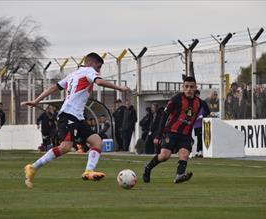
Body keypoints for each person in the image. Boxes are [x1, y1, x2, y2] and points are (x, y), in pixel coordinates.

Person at [22, 52, 130, 188]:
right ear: (91, 63)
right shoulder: (89, 71)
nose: (98, 71)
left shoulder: (73, 74)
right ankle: (32, 167)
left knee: (97, 141)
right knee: (65, 147)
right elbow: (100, 81)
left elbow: (53, 87)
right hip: (68, 115)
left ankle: (88, 171)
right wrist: (119, 88)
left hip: (77, 117)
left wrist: (36, 100)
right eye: (98, 67)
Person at [142, 76, 202, 184]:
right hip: (171, 132)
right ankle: (148, 167)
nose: (189, 89)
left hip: (185, 135)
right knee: (165, 156)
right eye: (186, 86)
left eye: (191, 87)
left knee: (184, 154)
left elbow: (204, 113)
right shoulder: (176, 99)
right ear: (182, 87)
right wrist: (159, 135)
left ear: (195, 88)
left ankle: (179, 175)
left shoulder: (200, 102)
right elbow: (164, 115)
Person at [193, 90, 210, 157]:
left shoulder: (203, 102)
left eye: (197, 95)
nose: (197, 96)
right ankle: (197, 151)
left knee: (200, 137)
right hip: (195, 124)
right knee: (197, 137)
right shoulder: (191, 103)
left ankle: (200, 151)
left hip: (201, 123)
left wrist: (202, 116)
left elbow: (207, 112)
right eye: (195, 95)